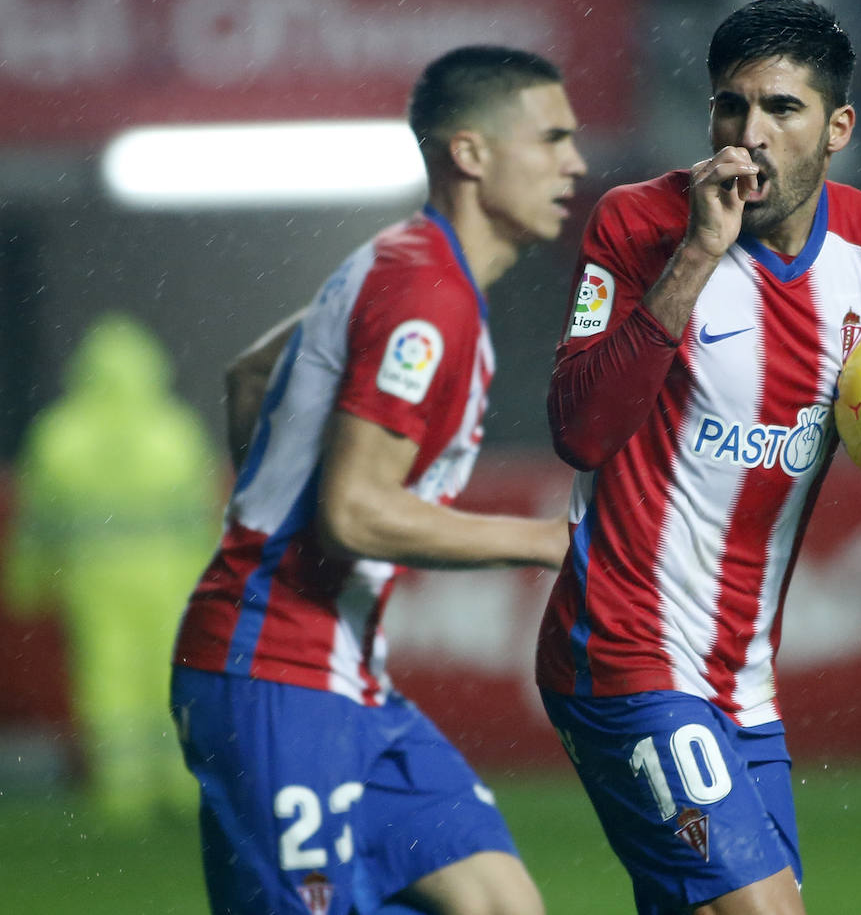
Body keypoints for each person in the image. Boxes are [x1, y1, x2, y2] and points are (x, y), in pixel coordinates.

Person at [535, 0, 861, 915]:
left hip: (744, 684)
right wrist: (696, 253)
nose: (750, 134)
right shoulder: (636, 224)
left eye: (782, 109)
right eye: (731, 107)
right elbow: (579, 428)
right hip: (622, 649)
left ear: (837, 126)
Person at [170, 45, 586, 915]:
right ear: (470, 153)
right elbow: (354, 515)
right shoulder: (427, 295)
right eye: (551, 139)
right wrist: (552, 540)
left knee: (503, 902)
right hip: (272, 669)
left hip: (343, 675)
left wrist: (268, 507)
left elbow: (252, 376)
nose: (573, 163)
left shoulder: (404, 264)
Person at [4, 312, 221, 827]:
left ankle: (123, 794)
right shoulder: (176, 430)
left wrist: (26, 583)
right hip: (168, 579)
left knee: (110, 682)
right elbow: (204, 515)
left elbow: (38, 521)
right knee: (172, 679)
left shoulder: (60, 434)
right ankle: (181, 784)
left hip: (95, 581)